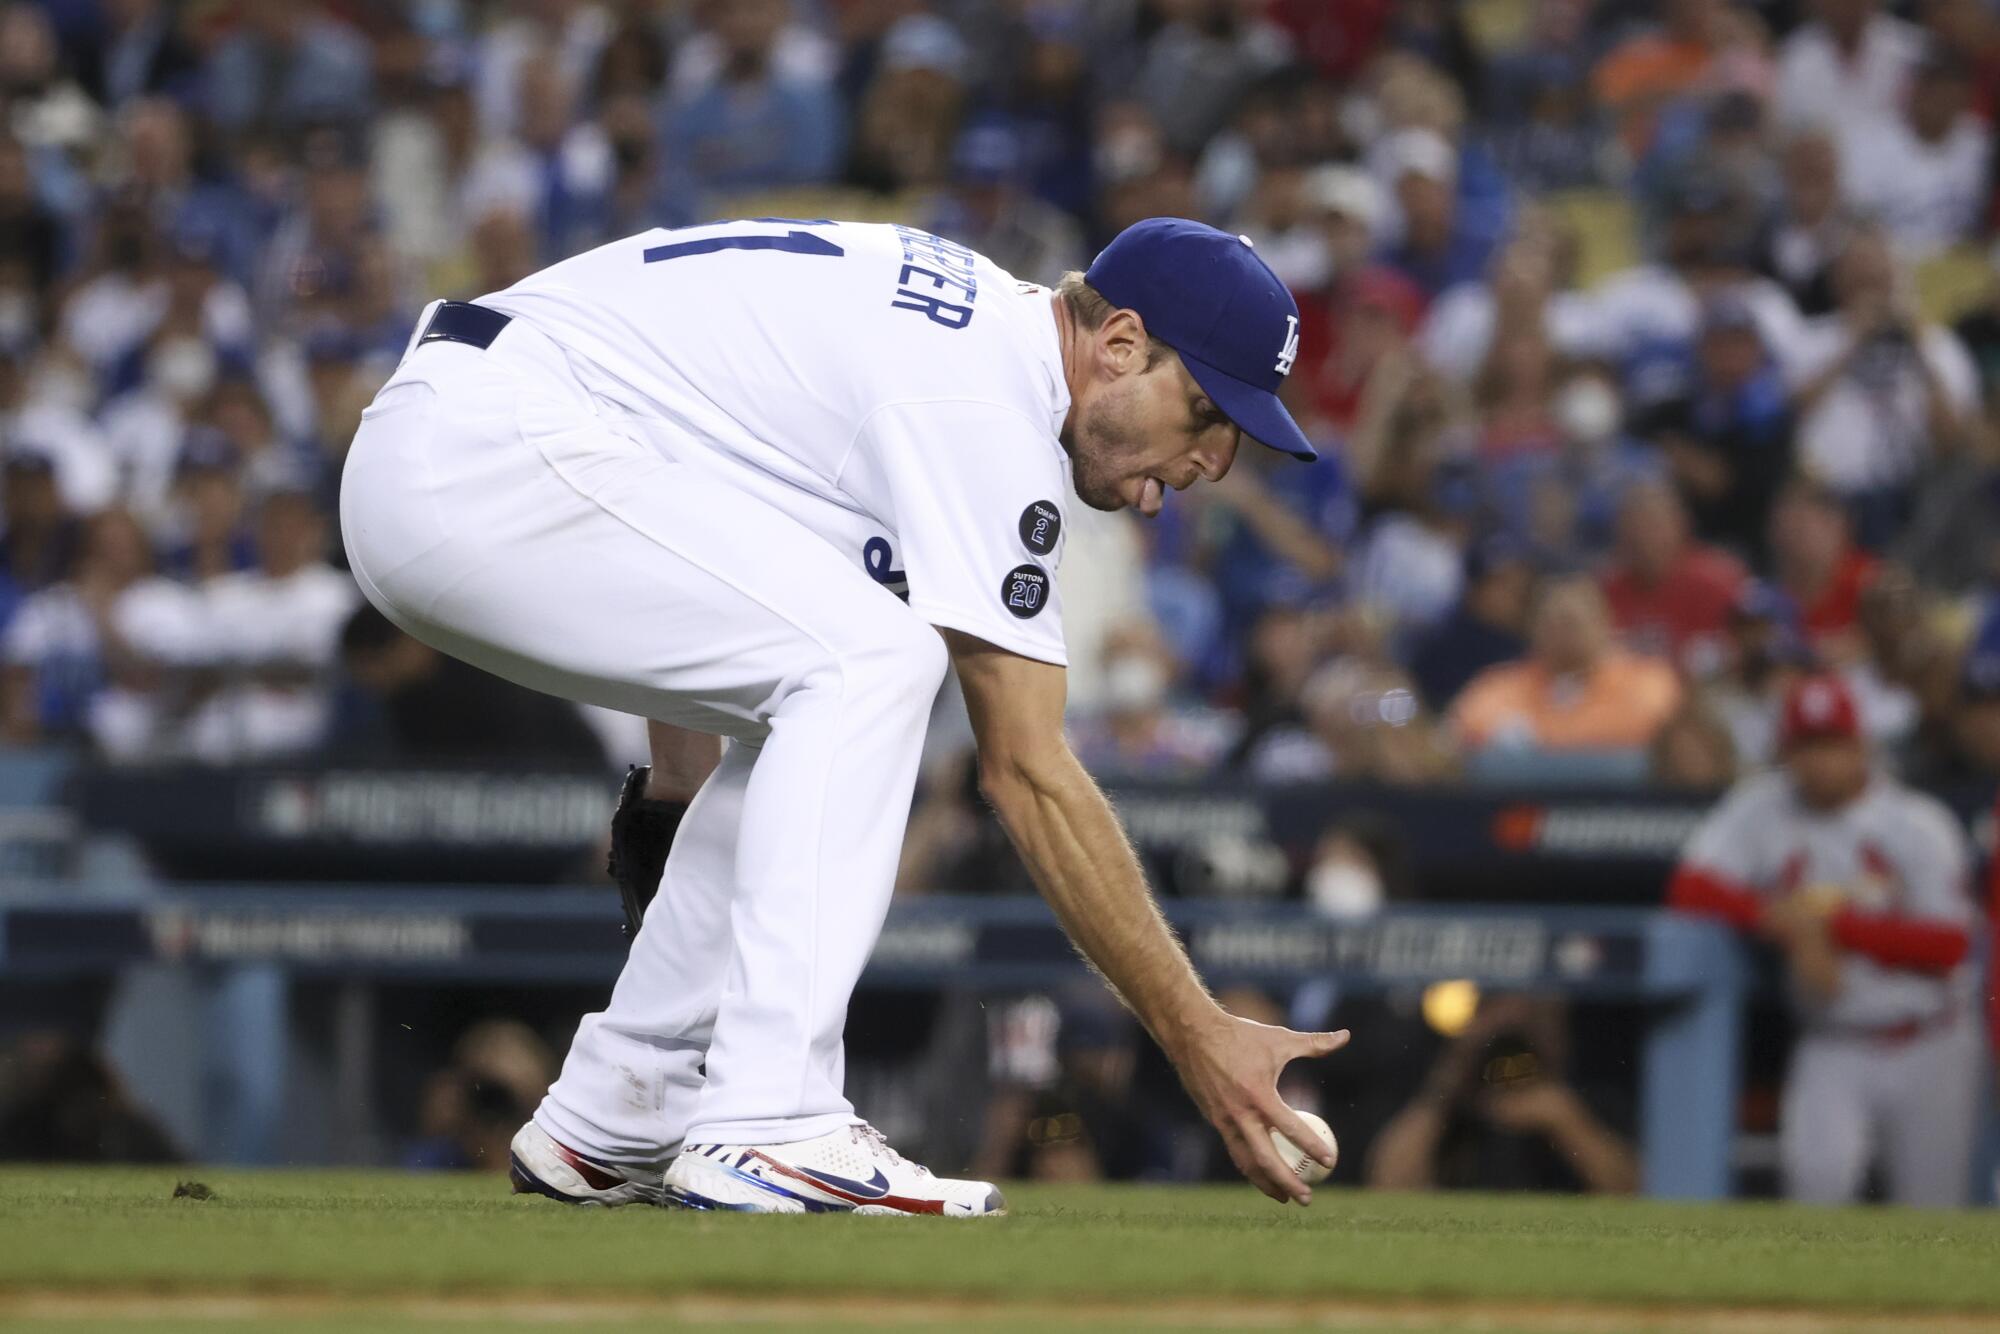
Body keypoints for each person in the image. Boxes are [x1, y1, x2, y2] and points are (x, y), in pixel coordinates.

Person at [340, 217, 1348, 1216]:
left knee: (831, 674)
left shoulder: (964, 340)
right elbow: (1025, 770)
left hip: (494, 432)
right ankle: (772, 1117)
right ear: (1119, 343)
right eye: (1208, 412)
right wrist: (1194, 1029)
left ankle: (623, 1102)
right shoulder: (980, 397)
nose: (1213, 461)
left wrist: (682, 814)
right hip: (488, 447)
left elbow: (698, 506)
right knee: (874, 658)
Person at [1668, 674, 1980, 1206]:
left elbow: (1947, 946)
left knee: (1934, 1213)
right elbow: (1690, 888)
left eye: (1832, 744)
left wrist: (1829, 928)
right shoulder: (1765, 806)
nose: (1819, 762)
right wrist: (1777, 918)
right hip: (1830, 1040)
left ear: (1862, 745)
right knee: (1814, 1196)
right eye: (1806, 746)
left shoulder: (1916, 823)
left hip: (1929, 1039)